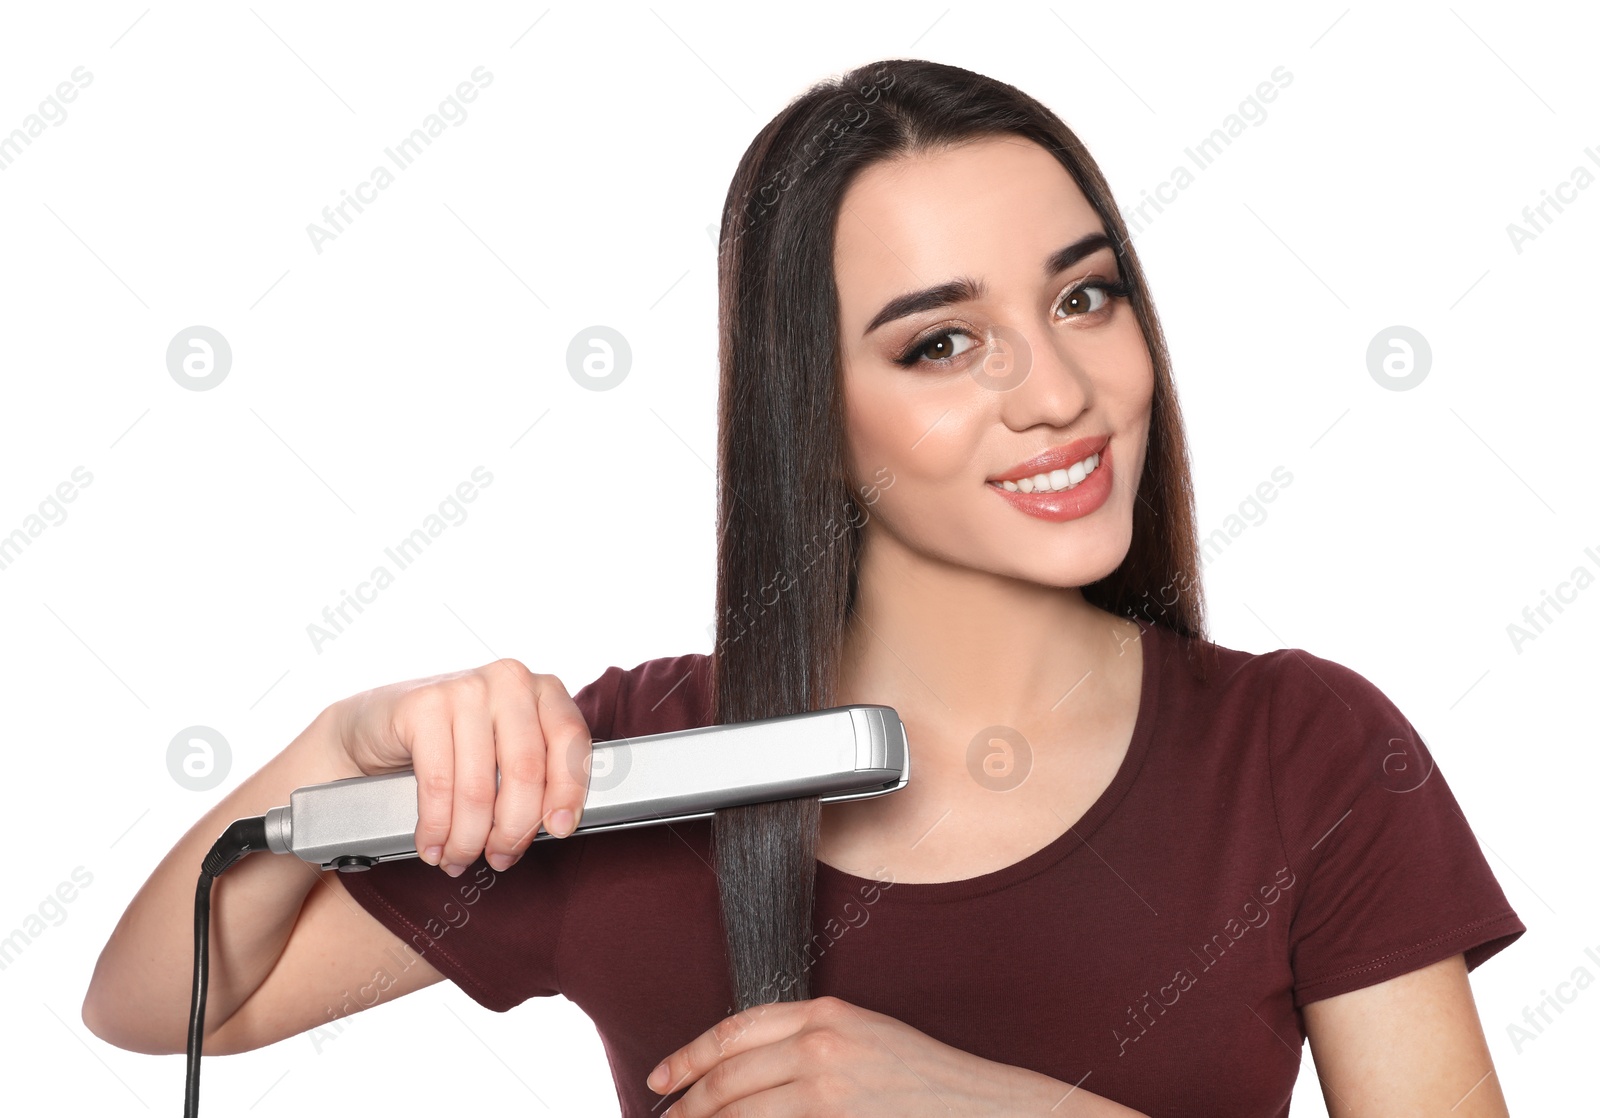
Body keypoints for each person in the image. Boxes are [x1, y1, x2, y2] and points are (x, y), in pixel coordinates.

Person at [82, 58, 1524, 1117]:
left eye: (1084, 296)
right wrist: (342, 747)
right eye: (941, 344)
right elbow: (160, 1003)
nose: (1065, 393)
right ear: (810, 415)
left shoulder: (1306, 752)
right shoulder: (636, 770)